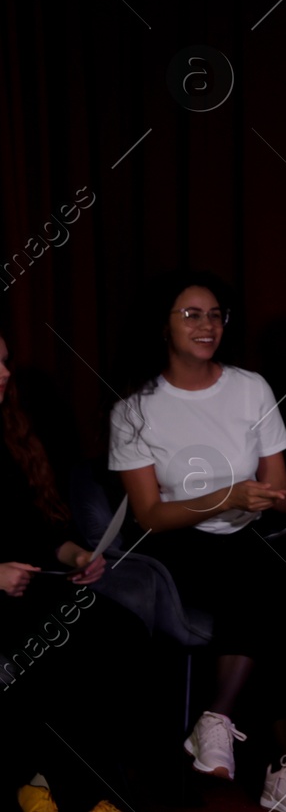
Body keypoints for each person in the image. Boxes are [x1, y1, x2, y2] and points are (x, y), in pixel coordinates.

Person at [108, 272, 286, 812]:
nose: (207, 325)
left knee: (258, 577)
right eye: (192, 314)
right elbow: (149, 514)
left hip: (243, 538)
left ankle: (218, 721)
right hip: (175, 543)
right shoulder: (133, 410)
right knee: (266, 585)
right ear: (164, 326)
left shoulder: (251, 388)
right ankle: (284, 768)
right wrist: (226, 499)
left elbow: (279, 490)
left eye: (216, 314)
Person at [0, 331, 145, 812]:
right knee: (54, 652)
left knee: (119, 632)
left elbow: (42, 534)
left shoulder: (13, 435)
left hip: (32, 583)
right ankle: (61, 789)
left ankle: (64, 783)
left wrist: (78, 557)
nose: (4, 374)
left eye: (5, 361)